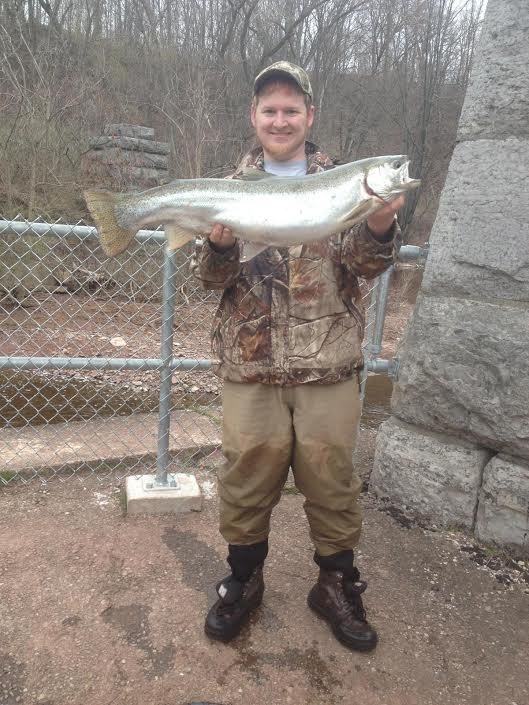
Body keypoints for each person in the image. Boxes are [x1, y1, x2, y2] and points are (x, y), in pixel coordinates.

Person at [193, 61, 404, 652]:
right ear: (254, 118)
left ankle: (335, 585)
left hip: (329, 363)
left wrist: (382, 224)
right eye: (269, 109)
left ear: (310, 116)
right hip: (250, 365)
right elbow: (209, 281)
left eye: (291, 109)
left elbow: (366, 266)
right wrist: (218, 245)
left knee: (333, 478)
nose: (280, 118)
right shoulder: (227, 189)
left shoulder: (349, 183)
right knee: (246, 474)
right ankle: (243, 579)